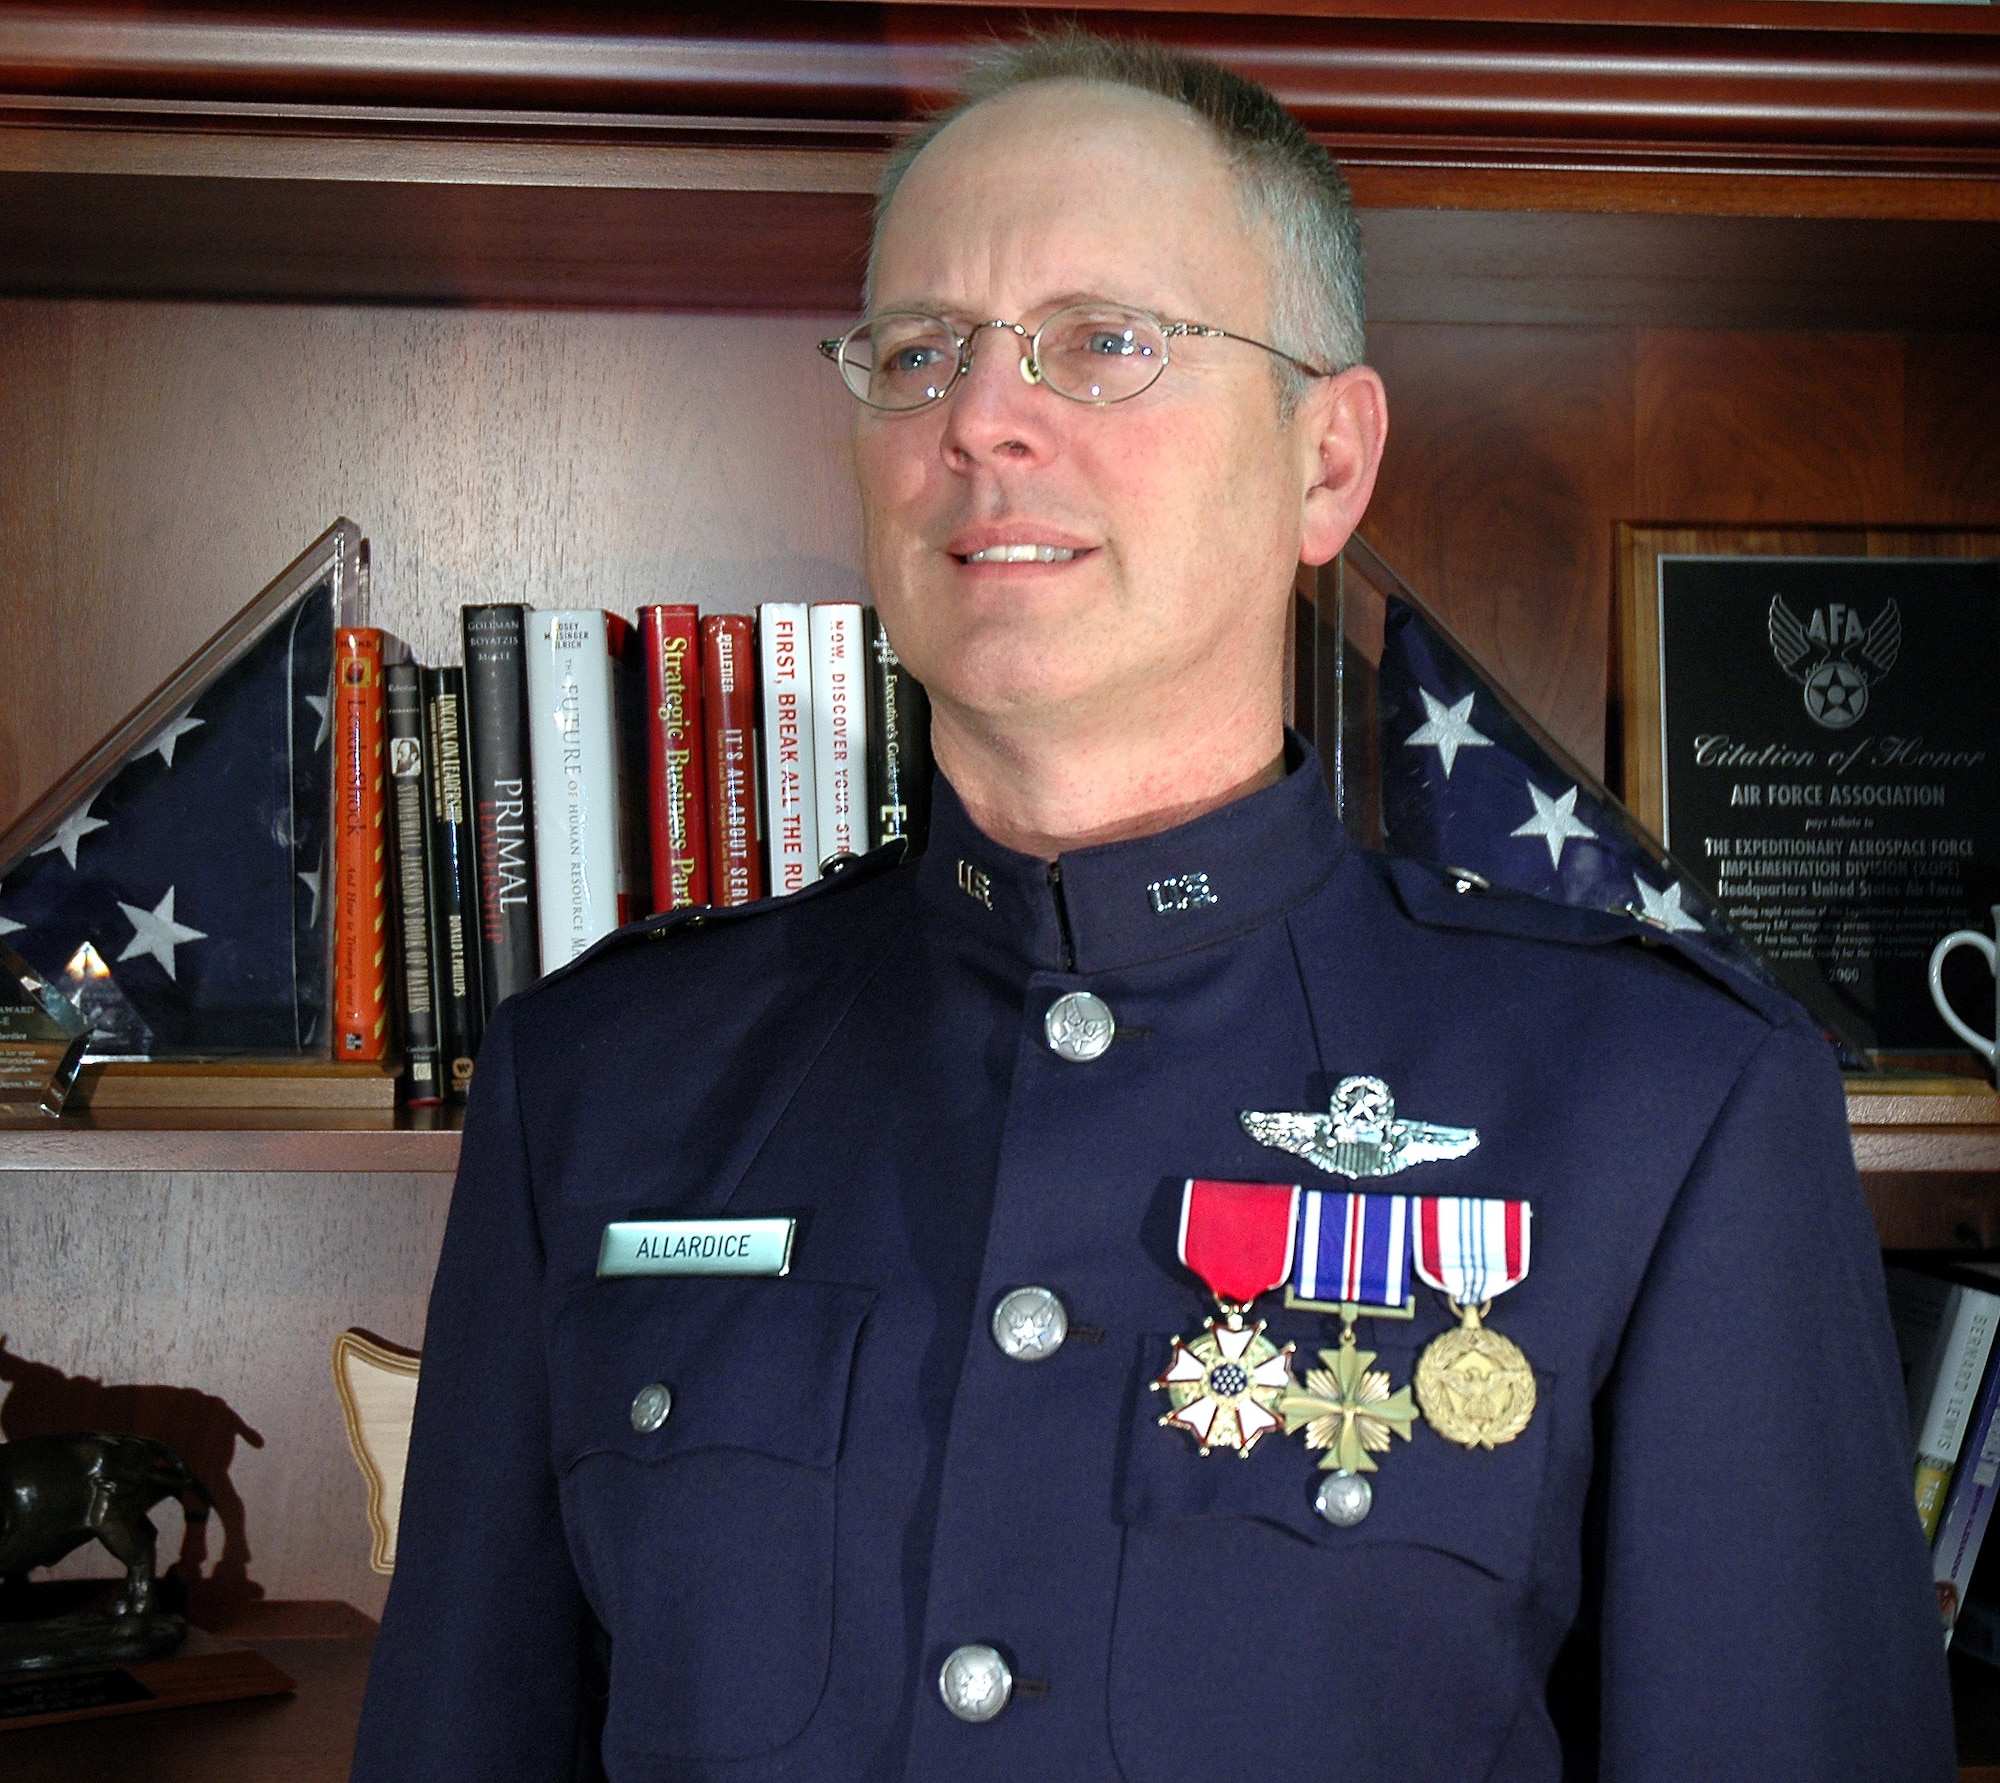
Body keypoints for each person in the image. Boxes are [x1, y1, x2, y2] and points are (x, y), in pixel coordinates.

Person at [353, 30, 1954, 1783]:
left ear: (1327, 465)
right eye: (917, 352)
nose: (980, 416)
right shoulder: (601, 1075)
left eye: (1103, 342)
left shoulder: (1666, 1099)